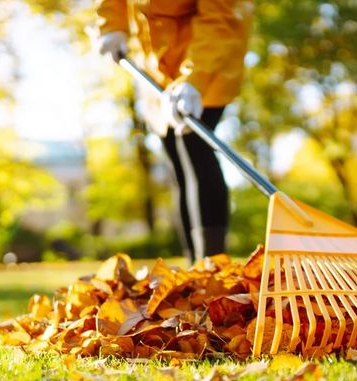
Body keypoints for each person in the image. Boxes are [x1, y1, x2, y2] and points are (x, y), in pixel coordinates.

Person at [96, 0, 253, 263]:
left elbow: (219, 20)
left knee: (194, 148)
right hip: (157, 66)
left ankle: (212, 265)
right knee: (176, 160)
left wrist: (193, 80)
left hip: (208, 57)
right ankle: (195, 266)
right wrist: (112, 25)